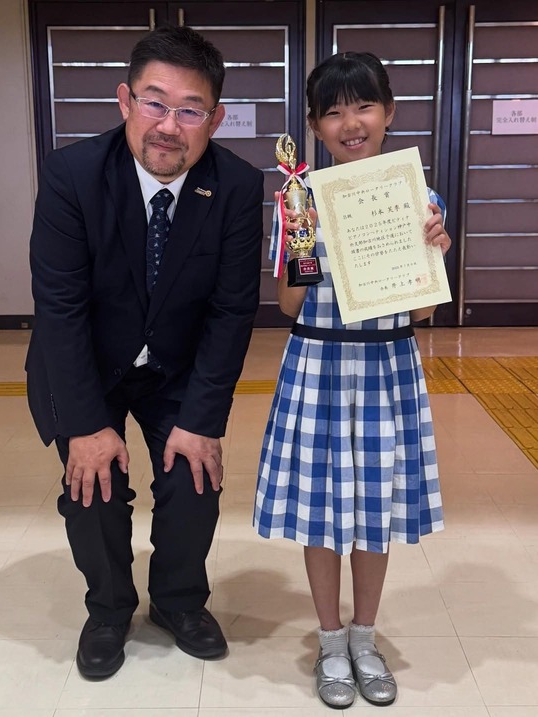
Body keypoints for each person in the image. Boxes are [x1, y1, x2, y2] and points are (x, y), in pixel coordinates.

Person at [26, 25, 264, 679]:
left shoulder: (237, 185)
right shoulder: (72, 175)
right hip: (88, 362)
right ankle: (107, 609)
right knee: (92, 486)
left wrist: (201, 419)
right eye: (155, 102)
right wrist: (85, 425)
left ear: (215, 118)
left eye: (190, 110)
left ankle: (179, 601)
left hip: (176, 366)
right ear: (125, 100)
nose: (168, 125)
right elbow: (60, 309)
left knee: (195, 479)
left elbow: (231, 310)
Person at [254, 51, 450, 709]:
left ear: (388, 112)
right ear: (315, 125)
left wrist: (433, 250)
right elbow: (289, 305)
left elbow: (421, 312)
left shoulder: (418, 197)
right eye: (333, 112)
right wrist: (301, 243)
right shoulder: (299, 197)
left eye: (364, 106)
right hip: (318, 365)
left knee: (375, 510)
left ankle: (365, 639)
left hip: (388, 365)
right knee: (321, 510)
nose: (351, 122)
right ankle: (331, 641)